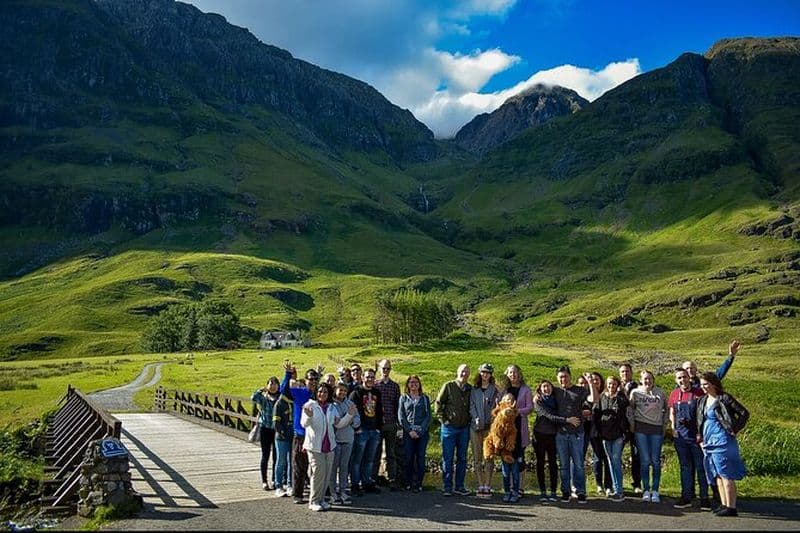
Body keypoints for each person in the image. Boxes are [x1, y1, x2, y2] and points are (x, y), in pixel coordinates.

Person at [697, 372, 749, 517]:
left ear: (713, 384)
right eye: (702, 385)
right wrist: (700, 437)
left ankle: (731, 507)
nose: (703, 387)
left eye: (706, 384)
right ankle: (724, 504)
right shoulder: (702, 400)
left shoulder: (724, 398)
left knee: (726, 473)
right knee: (717, 474)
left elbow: (744, 413)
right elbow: (700, 420)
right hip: (708, 441)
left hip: (722, 441)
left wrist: (735, 428)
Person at [536, 366, 586, 503]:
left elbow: (592, 400)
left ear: (570, 376)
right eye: (560, 377)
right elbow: (544, 396)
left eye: (565, 376)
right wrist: (537, 396)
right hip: (560, 433)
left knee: (579, 464)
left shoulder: (580, 390)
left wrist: (591, 383)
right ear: (557, 379)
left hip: (577, 433)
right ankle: (566, 491)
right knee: (563, 465)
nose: (563, 379)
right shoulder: (556, 391)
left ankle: (581, 491)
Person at [302, 383, 355, 512]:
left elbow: (339, 424)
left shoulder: (331, 407)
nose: (322, 394)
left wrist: (349, 415)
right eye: (320, 391)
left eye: (325, 392)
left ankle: (321, 500)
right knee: (318, 474)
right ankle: (313, 501)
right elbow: (304, 424)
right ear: (316, 393)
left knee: (326, 474)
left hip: (329, 446)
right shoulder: (310, 405)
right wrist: (309, 416)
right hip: (315, 447)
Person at [669, 367, 711, 510]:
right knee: (685, 467)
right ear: (676, 380)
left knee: (701, 468)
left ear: (689, 378)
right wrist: (673, 428)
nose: (682, 380)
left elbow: (705, 414)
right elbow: (672, 412)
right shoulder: (674, 394)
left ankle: (704, 498)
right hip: (681, 437)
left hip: (697, 437)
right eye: (679, 378)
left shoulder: (699, 393)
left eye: (684, 377)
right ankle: (686, 497)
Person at [280, 363, 319, 504]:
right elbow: (284, 391)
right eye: (310, 379)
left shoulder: (319, 394)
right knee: (299, 466)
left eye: (315, 379)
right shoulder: (300, 392)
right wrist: (288, 374)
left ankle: (318, 492)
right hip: (301, 434)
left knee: (316, 466)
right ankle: (298, 494)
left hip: (316, 435)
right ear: (306, 380)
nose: (313, 382)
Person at [628, 370, 668, 503]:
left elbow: (666, 410)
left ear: (653, 380)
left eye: (650, 379)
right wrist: (632, 424)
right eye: (645, 379)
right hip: (641, 429)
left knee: (655, 461)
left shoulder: (660, 393)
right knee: (644, 460)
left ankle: (655, 490)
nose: (647, 381)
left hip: (656, 429)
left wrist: (664, 425)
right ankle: (646, 489)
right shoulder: (635, 392)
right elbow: (630, 409)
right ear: (641, 380)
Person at [589, 374, 629, 502]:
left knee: (616, 460)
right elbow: (596, 413)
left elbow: (625, 411)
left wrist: (622, 393)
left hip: (617, 435)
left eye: (614, 384)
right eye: (609, 384)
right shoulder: (601, 398)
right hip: (605, 435)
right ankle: (614, 488)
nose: (611, 386)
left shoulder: (621, 398)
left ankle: (619, 490)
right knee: (610, 462)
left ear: (617, 385)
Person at [435, 363, 472, 496]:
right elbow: (438, 404)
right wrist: (444, 420)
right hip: (449, 428)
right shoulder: (449, 386)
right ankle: (447, 487)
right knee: (447, 458)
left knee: (462, 458)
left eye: (467, 372)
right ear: (457, 372)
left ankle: (460, 486)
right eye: (462, 371)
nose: (464, 374)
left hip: (464, 428)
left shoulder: (470, 388)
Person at [348, 367, 383, 495]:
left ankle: (367, 482)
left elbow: (379, 411)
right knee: (357, 459)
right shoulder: (356, 393)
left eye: (372, 377)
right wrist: (357, 428)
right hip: (361, 430)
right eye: (367, 377)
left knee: (370, 459)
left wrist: (379, 428)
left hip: (374, 430)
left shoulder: (377, 393)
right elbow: (352, 412)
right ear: (362, 377)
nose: (370, 379)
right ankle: (355, 484)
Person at [398, 375, 432, 493]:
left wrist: (421, 430)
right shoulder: (403, 398)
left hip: (422, 433)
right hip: (408, 433)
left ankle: (418, 484)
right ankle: (408, 482)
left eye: (416, 382)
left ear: (419, 384)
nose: (414, 384)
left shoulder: (424, 398)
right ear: (408, 384)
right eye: (411, 382)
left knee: (420, 457)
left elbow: (428, 416)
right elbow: (401, 416)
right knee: (408, 457)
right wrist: (409, 431)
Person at [503, 364, 533, 498]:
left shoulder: (525, 389)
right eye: (510, 373)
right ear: (507, 374)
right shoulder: (504, 390)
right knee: (507, 457)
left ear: (519, 374)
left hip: (520, 427)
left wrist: (516, 412)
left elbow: (529, 408)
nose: (513, 375)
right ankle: (509, 487)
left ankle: (520, 486)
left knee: (520, 459)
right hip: (506, 430)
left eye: (515, 372)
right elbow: (499, 405)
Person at [470, 363, 499, 497]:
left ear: (490, 375)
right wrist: (476, 418)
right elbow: (471, 406)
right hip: (475, 428)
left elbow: (496, 406)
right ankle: (480, 484)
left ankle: (488, 485)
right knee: (477, 457)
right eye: (483, 372)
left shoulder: (494, 390)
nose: (485, 375)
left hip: (489, 428)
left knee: (489, 456)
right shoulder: (474, 389)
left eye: (487, 372)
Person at [374, 358, 401, 490]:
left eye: (388, 368)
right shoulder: (374, 385)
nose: (385, 371)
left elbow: (397, 405)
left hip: (391, 423)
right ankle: (374, 478)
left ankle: (392, 479)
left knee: (391, 453)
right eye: (383, 368)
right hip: (378, 424)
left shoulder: (395, 386)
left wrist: (398, 422)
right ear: (379, 369)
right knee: (376, 452)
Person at [330, 382, 360, 505]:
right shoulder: (331, 405)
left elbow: (357, 420)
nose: (342, 393)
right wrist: (348, 416)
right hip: (336, 440)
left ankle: (343, 491)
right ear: (335, 390)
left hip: (348, 439)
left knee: (344, 467)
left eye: (344, 391)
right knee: (333, 468)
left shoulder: (350, 404)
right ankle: (332, 493)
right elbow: (336, 422)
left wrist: (350, 420)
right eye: (340, 390)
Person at [532, 379, 559, 503]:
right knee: (540, 463)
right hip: (539, 435)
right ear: (540, 389)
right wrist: (565, 420)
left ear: (552, 388)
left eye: (548, 386)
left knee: (553, 463)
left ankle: (553, 491)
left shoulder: (557, 400)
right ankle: (542, 491)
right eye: (543, 387)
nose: (546, 389)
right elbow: (545, 415)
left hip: (553, 435)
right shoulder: (538, 401)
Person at [587, 371, 613, 496]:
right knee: (597, 458)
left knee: (607, 457)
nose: (595, 382)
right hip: (594, 431)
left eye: (597, 379)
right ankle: (599, 485)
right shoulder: (588, 395)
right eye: (593, 380)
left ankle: (608, 485)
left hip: (607, 430)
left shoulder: (606, 395)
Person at [619, 363, 642, 494]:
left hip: (635, 425)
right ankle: (616, 483)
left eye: (627, 371)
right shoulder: (614, 386)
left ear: (631, 373)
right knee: (615, 455)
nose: (624, 374)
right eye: (622, 372)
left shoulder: (638, 387)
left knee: (636, 455)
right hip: (619, 427)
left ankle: (637, 483)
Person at [272, 387, 294, 497]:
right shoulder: (279, 403)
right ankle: (279, 485)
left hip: (293, 436)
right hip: (282, 437)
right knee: (281, 461)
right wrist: (281, 432)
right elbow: (276, 422)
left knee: (291, 461)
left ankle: (290, 484)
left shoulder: (295, 402)